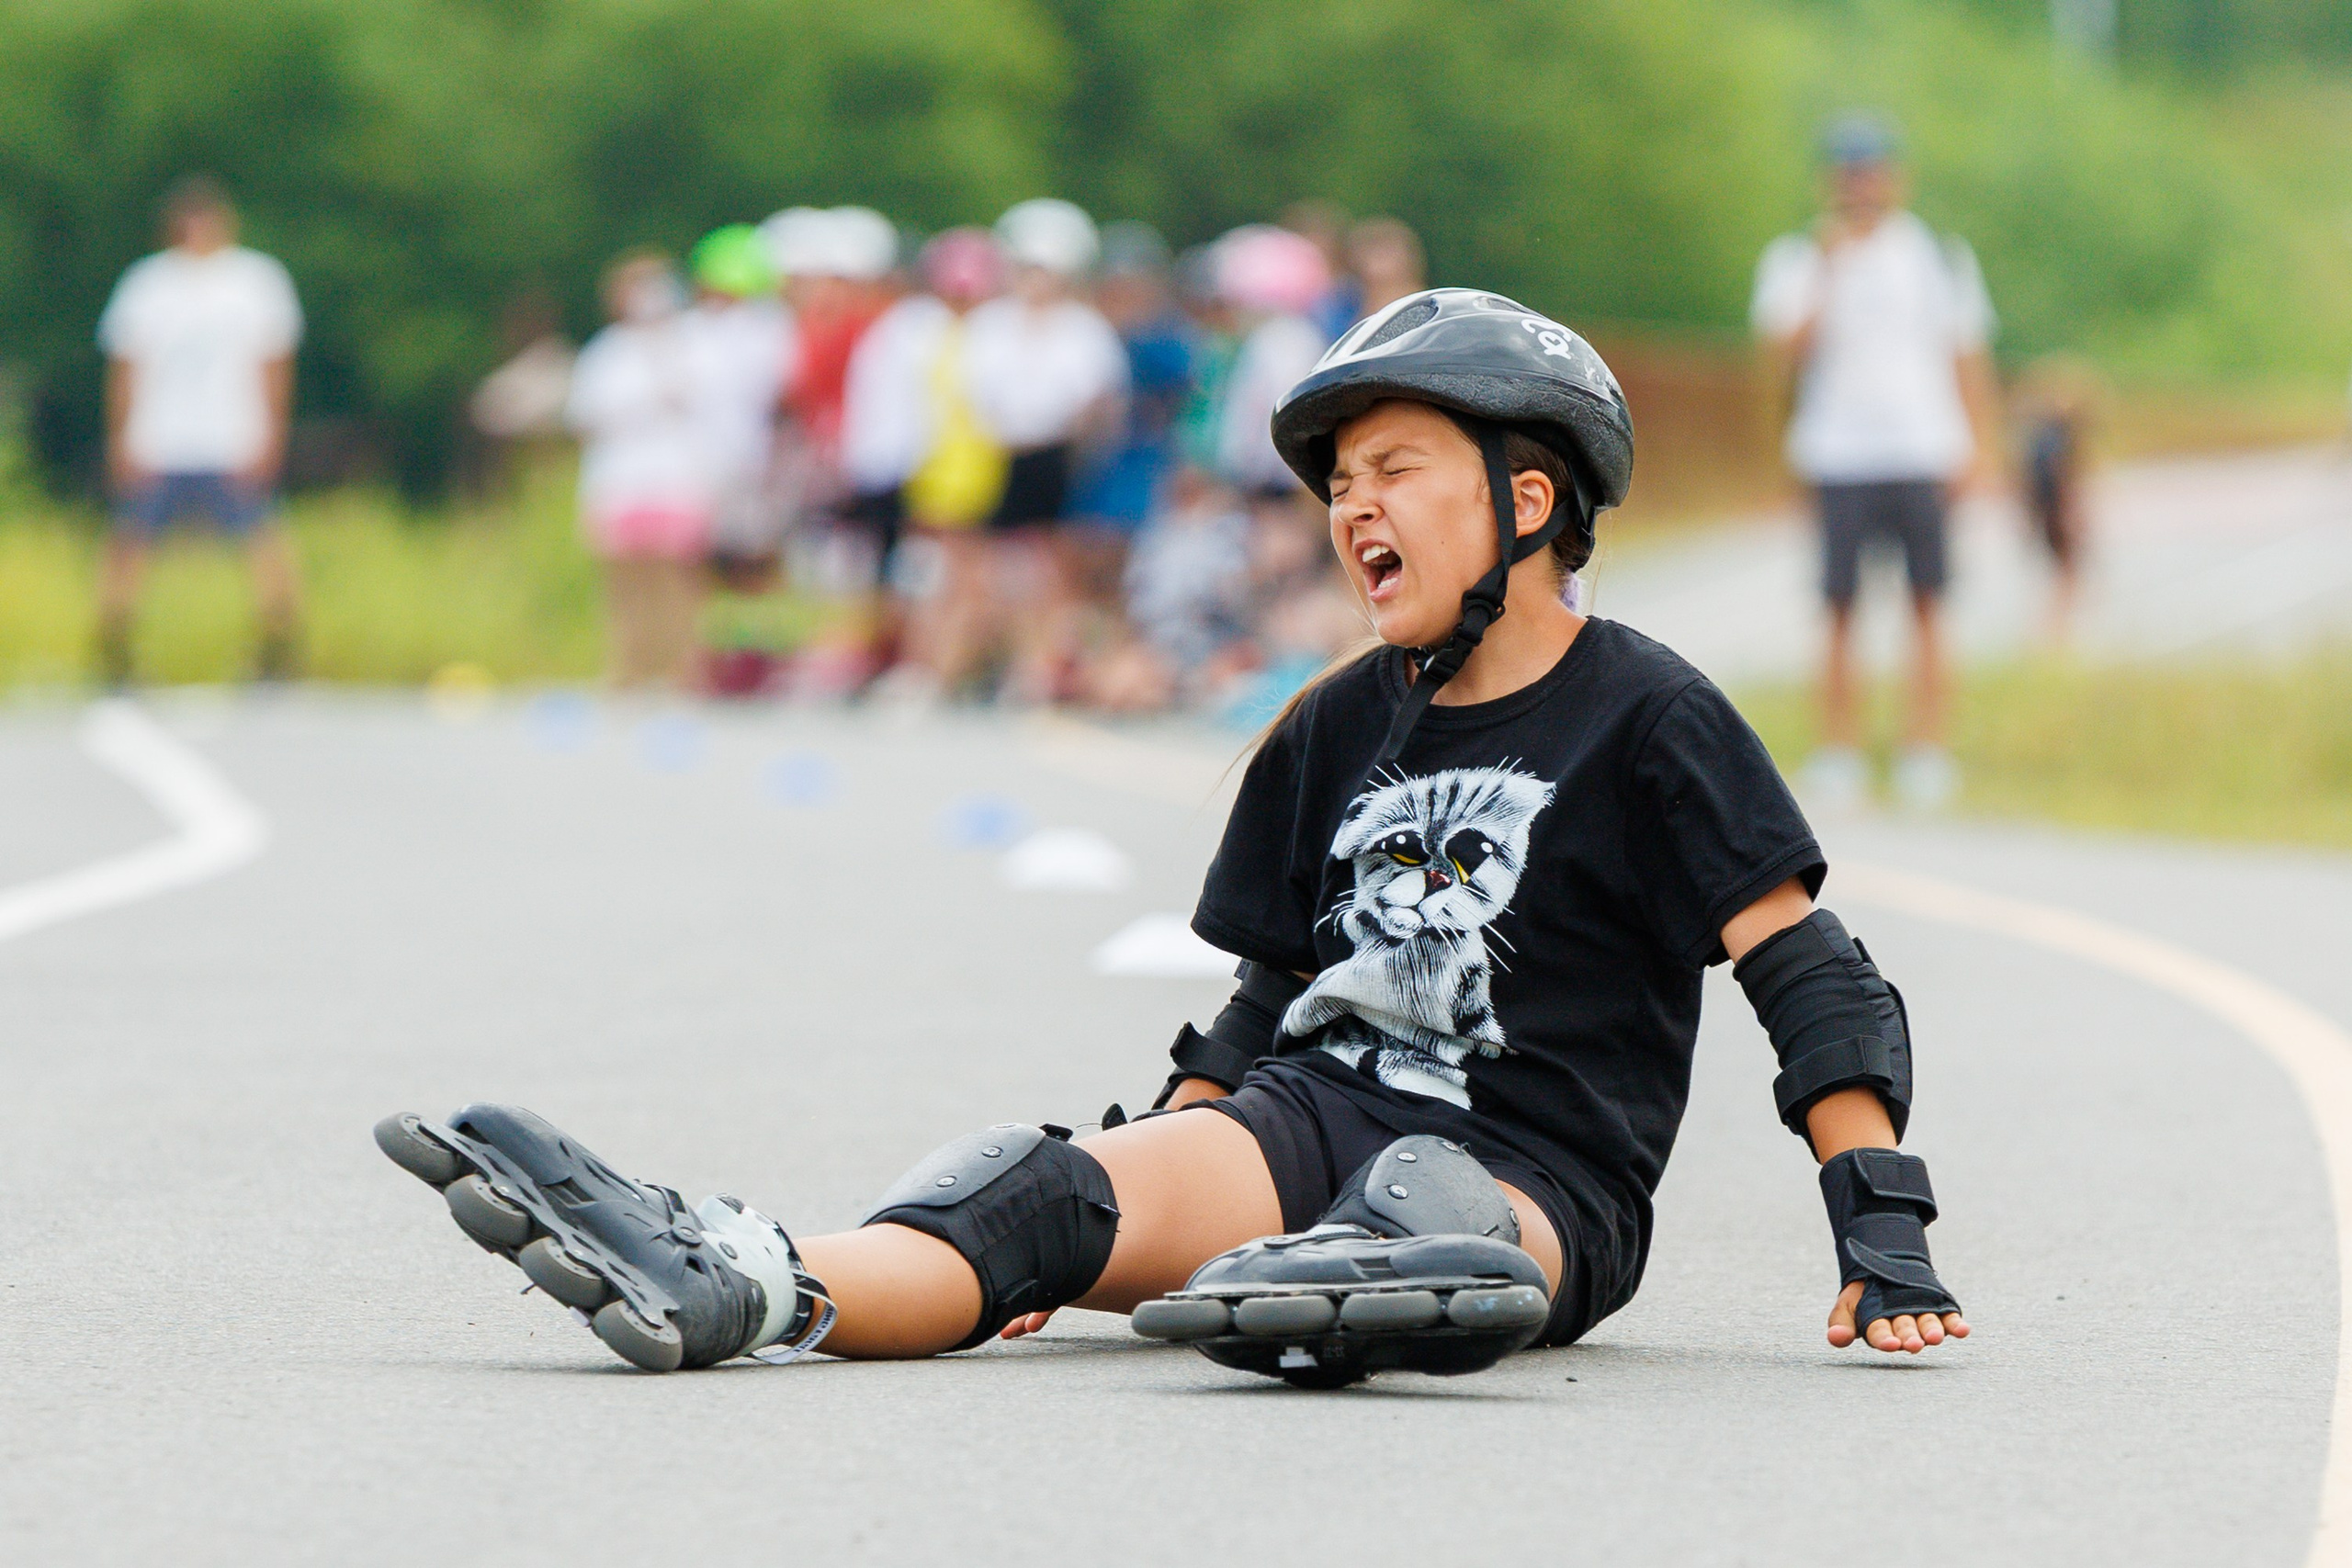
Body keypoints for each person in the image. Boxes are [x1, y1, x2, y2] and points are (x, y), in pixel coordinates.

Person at [377, 288, 1967, 1388]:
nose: (1355, 511)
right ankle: (742, 1274)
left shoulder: (1649, 713)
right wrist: (1129, 1188)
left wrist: (1879, 1226)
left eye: (1398, 470)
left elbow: (1806, 969)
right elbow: (1267, 1000)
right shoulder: (1334, 720)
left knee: (1423, 1205)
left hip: (1535, 1174)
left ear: (1531, 498)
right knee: (1036, 1190)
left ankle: (1341, 1290)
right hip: (1304, 1117)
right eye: (1342, 484)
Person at [1751, 114, 1998, 812]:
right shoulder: (1799, 258)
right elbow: (1785, 351)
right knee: (1838, 608)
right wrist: (1830, 270)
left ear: (1894, 175)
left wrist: (1980, 450)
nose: (1861, 183)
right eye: (1849, 170)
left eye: (1872, 169)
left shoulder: (1937, 256)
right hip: (1837, 455)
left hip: (1922, 450)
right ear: (1832, 179)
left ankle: (1927, 750)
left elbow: (1966, 357)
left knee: (1928, 604)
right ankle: (1840, 749)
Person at [96, 176, 304, 685]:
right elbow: (126, 367)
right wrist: (122, 438)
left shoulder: (255, 281)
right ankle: (116, 652)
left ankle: (278, 652)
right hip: (160, 439)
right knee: (130, 544)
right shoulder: (148, 284)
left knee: (262, 544)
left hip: (233, 438)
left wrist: (272, 434)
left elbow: (275, 365)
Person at [964, 198, 1129, 702]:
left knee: (1060, 572)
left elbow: (1098, 404)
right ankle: (1017, 660)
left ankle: (1046, 667)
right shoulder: (990, 325)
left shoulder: (1083, 329)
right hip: (1000, 456)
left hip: (1059, 457)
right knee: (995, 571)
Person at [842, 227, 1010, 700]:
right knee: (936, 574)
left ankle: (946, 669)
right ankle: (935, 666)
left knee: (964, 576)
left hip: (978, 466)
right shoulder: (924, 329)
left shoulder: (992, 331)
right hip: (937, 467)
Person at [566, 251, 725, 692]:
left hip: (677, 480)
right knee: (625, 583)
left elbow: (705, 405)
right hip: (621, 481)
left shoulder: (691, 344)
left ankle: (684, 672)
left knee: (678, 581)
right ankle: (626, 669)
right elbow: (585, 420)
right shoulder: (606, 352)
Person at [2014, 355, 2100, 646]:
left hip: (2044, 514)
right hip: (2055, 514)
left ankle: (2053, 630)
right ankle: (2055, 631)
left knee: (2062, 573)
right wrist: (2071, 513)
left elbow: (2026, 483)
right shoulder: (2058, 439)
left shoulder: (2037, 437)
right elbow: (2061, 480)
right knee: (2068, 573)